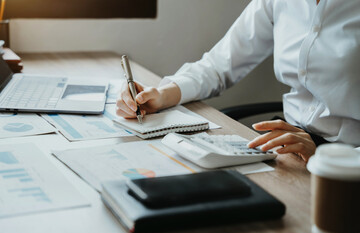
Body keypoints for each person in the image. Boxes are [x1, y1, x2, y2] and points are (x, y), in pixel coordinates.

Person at [116, 0, 360, 163]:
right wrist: (162, 94)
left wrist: (329, 157)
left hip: (346, 161)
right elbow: (219, 64)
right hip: (288, 147)